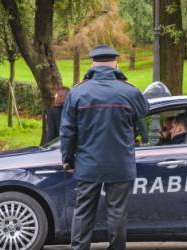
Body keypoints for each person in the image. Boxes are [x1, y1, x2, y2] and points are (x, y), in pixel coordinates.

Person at [60, 44, 149, 250]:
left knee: (83, 211)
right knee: (117, 212)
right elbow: (144, 111)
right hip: (120, 164)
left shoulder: (77, 92)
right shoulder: (129, 91)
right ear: (115, 64)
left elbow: (67, 131)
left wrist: (68, 159)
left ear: (93, 64)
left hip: (88, 163)